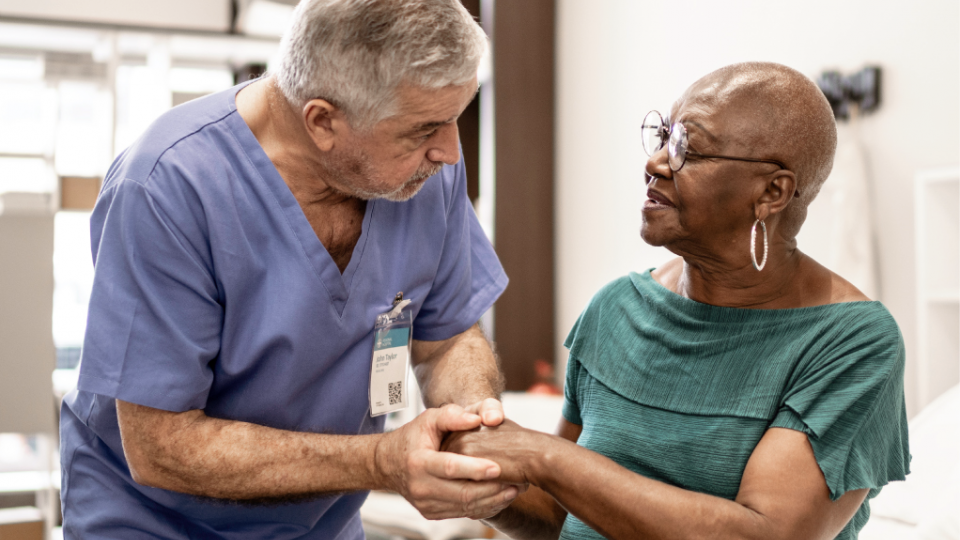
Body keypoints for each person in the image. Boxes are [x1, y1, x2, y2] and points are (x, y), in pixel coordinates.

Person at [59, 1, 519, 538]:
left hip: (320, 523)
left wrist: (471, 426)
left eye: (456, 117)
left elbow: (446, 338)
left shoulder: (421, 172)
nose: (449, 152)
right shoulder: (169, 186)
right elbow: (161, 445)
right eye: (424, 129)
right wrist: (379, 461)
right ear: (322, 121)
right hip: (155, 523)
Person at [444, 62, 910, 539]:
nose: (657, 162)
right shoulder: (616, 308)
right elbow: (565, 513)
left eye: (689, 147)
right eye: (665, 136)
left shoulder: (853, 344)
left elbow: (766, 534)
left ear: (772, 192)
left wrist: (542, 456)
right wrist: (482, 481)